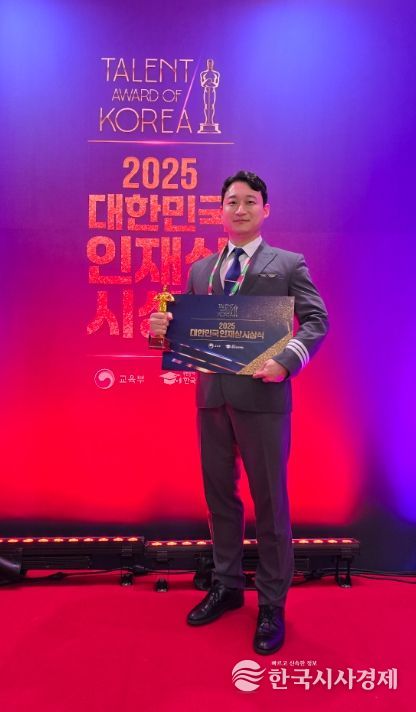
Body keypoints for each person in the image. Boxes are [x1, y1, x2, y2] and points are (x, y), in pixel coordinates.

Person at [149, 170, 329, 655]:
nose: (241, 208)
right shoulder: (201, 270)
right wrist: (160, 331)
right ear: (221, 211)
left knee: (270, 503)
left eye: (250, 201)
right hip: (211, 398)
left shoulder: (287, 263)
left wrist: (286, 361)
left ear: (265, 210)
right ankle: (227, 584)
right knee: (220, 499)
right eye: (232, 201)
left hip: (264, 399)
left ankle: (271, 602)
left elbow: (317, 320)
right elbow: (186, 336)